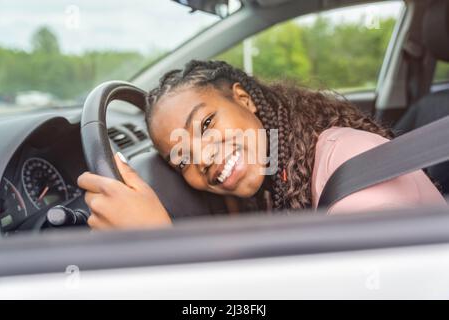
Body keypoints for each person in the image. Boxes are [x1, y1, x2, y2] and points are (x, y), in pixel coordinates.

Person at [77, 60, 446, 230]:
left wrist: (157, 243)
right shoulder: (283, 176)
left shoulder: (351, 171)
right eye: (182, 159)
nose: (202, 158)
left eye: (206, 124)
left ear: (244, 99)